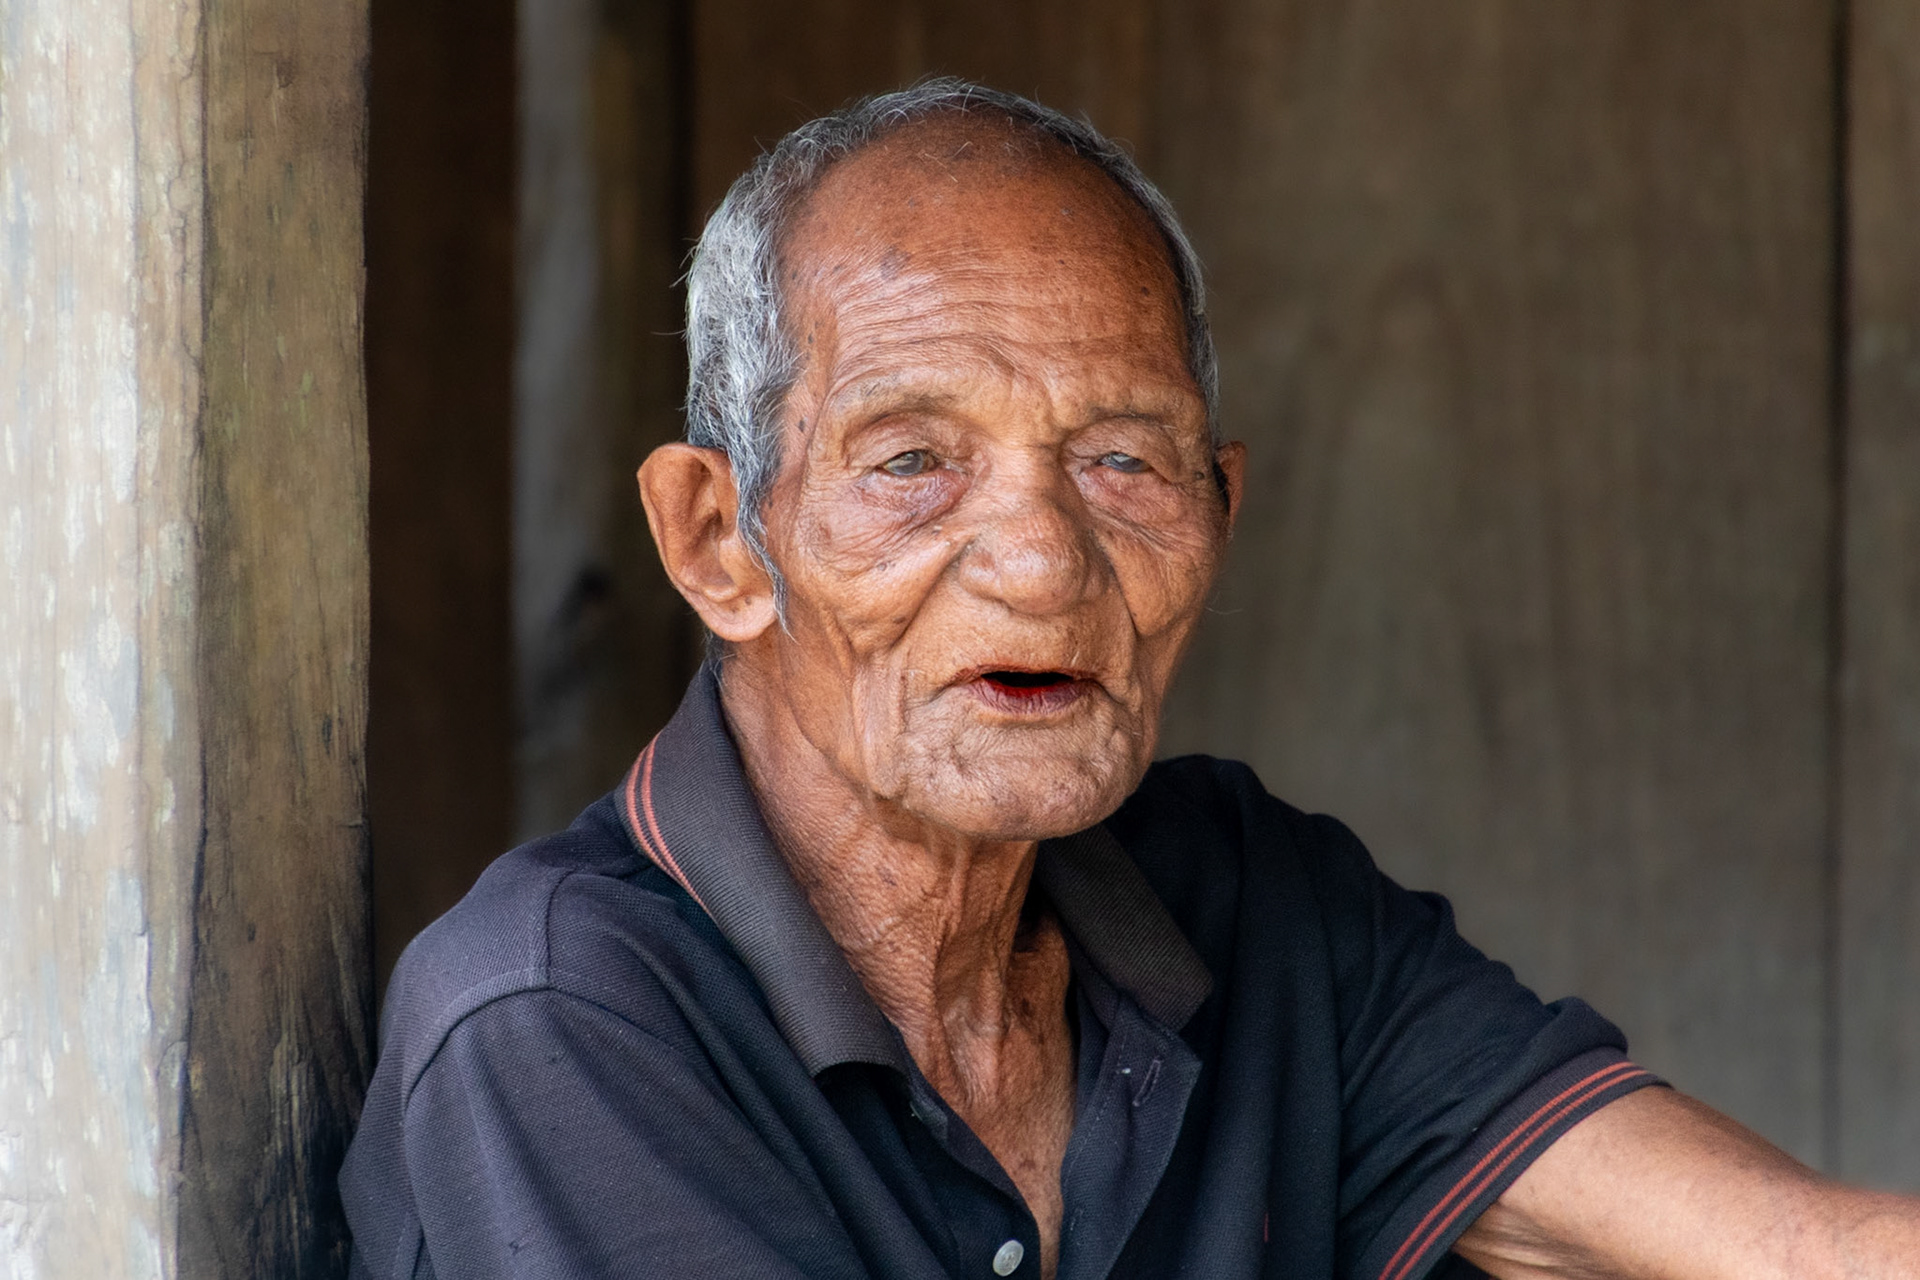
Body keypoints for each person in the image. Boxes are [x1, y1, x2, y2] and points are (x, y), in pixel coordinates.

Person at [339, 80, 1920, 1279]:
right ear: (717, 542)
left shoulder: (1246, 904)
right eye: (910, 462)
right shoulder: (560, 1023)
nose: (1040, 563)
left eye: (1121, 461)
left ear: (1222, 513)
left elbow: (1803, 1250)